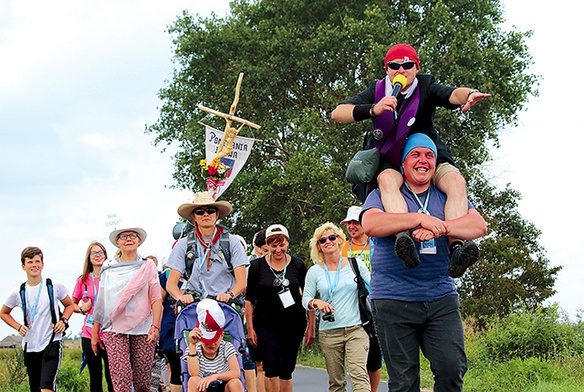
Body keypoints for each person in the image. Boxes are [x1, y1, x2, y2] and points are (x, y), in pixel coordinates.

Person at [332, 43, 489, 274]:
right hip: (393, 158)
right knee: (386, 181)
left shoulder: (425, 85)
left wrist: (469, 94)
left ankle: (456, 246)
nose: (401, 71)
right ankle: (403, 240)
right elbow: (338, 113)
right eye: (395, 66)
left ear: (417, 67)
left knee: (456, 182)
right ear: (387, 69)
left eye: (407, 65)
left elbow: (451, 94)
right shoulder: (377, 90)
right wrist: (374, 109)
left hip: (426, 155)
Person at [361, 134, 488, 391]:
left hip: (440, 297)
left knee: (452, 369)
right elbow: (371, 224)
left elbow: (478, 225)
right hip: (393, 298)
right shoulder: (384, 194)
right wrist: (419, 220)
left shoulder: (447, 196)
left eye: (429, 155)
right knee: (405, 381)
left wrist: (439, 227)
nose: (423, 161)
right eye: (415, 155)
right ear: (403, 164)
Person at [92, 226, 163, 392]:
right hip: (114, 327)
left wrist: (156, 326)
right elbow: (101, 302)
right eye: (123, 237)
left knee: (142, 382)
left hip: (143, 327)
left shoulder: (148, 266)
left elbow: (156, 298)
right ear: (117, 242)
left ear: (139, 240)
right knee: (121, 378)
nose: (128, 239)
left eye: (133, 236)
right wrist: (95, 332)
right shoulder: (108, 268)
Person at [245, 224, 315, 392]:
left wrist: (311, 326)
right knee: (271, 363)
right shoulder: (256, 267)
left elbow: (308, 297)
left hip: (293, 323)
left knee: (287, 368)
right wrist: (250, 328)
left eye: (281, 245)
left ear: (287, 243)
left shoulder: (298, 265)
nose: (278, 249)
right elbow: (249, 300)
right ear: (267, 245)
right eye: (274, 245)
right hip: (266, 324)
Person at [302, 223, 371, 392]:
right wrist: (316, 302)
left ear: (339, 240)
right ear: (318, 245)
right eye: (322, 240)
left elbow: (374, 287)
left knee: (359, 375)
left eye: (332, 237)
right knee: (336, 383)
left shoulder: (356, 264)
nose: (328, 242)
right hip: (330, 332)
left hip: (356, 328)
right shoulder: (314, 271)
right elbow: (305, 299)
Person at [1, 246, 74, 392]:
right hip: (31, 345)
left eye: (37, 261)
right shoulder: (18, 291)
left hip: (51, 342)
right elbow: (4, 313)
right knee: (36, 388)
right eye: (30, 262)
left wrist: (63, 321)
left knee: (46, 387)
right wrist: (18, 327)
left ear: (42, 264)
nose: (34, 265)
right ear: (23, 266)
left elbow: (69, 305)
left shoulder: (53, 285)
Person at [165, 192, 249, 308]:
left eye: (210, 210)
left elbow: (242, 281)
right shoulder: (183, 244)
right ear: (194, 216)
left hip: (226, 304)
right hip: (195, 304)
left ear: (217, 214)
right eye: (199, 212)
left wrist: (230, 294)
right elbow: (171, 284)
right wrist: (181, 297)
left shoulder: (232, 241)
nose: (206, 214)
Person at [340, 207, 382, 392]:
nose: (351, 227)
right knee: (356, 355)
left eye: (355, 222)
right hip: (350, 304)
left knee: (374, 353)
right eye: (348, 223)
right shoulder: (342, 247)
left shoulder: (378, 244)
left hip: (373, 303)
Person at [71, 241, 114, 392]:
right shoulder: (83, 280)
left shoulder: (112, 277)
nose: (98, 255)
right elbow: (72, 304)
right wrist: (82, 309)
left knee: (112, 378)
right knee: (95, 377)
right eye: (94, 253)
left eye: (101, 252)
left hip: (109, 332)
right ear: (89, 257)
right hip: (89, 333)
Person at [184, 298, 244, 392]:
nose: (211, 343)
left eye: (214, 339)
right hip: (202, 387)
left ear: (221, 336)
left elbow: (236, 373)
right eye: (207, 340)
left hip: (223, 385)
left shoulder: (226, 347)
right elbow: (194, 374)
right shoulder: (195, 349)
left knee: (235, 382)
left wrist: (216, 376)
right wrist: (192, 345)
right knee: (193, 380)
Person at [246, 229, 269, 392]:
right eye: (265, 250)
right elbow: (247, 297)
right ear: (256, 247)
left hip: (279, 320)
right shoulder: (250, 267)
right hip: (256, 320)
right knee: (261, 365)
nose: (268, 254)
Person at [158, 261, 185, 392]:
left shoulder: (199, 274)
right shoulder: (167, 275)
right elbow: (158, 301)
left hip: (192, 325)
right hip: (171, 327)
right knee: (175, 366)